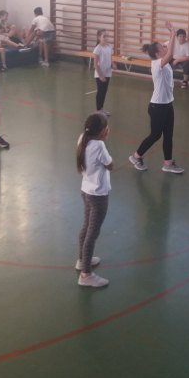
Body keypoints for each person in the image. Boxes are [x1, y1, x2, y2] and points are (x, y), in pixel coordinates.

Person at [129, 21, 184, 174]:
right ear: (158, 54)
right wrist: (173, 33)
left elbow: (169, 47)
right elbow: (170, 53)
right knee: (155, 135)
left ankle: (168, 164)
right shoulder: (156, 64)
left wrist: (171, 34)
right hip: (157, 106)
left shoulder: (161, 59)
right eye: (163, 47)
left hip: (167, 104)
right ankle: (136, 156)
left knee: (168, 135)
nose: (165, 47)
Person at [76, 113, 113, 288]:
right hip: (98, 195)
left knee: (86, 226)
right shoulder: (99, 146)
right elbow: (110, 165)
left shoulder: (83, 138)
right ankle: (86, 275)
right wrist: (103, 141)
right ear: (104, 131)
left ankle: (82, 260)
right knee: (92, 233)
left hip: (86, 190)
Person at [93, 29, 117, 116]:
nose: (106, 38)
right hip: (100, 74)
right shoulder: (97, 49)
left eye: (107, 36)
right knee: (100, 91)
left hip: (107, 73)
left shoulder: (109, 47)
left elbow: (110, 59)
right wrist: (100, 76)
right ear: (99, 37)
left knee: (104, 91)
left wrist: (112, 65)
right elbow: (95, 64)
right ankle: (98, 110)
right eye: (104, 36)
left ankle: (102, 108)